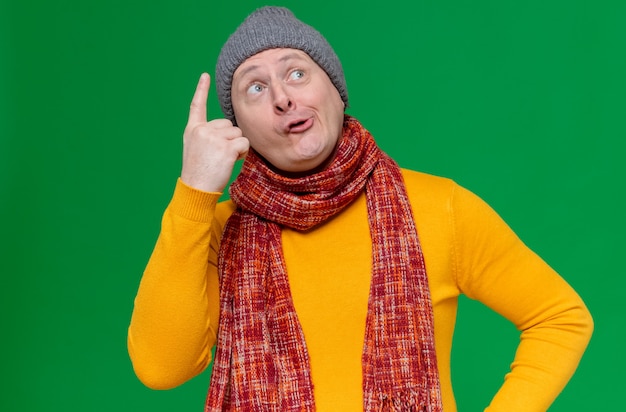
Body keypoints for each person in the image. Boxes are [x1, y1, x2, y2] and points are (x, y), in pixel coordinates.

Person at [127, 6, 593, 411]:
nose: (283, 97)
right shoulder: (217, 230)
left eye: (296, 73)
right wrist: (194, 192)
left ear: (334, 88)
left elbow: (560, 317)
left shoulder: (438, 206)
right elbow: (160, 367)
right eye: (254, 88)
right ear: (237, 129)